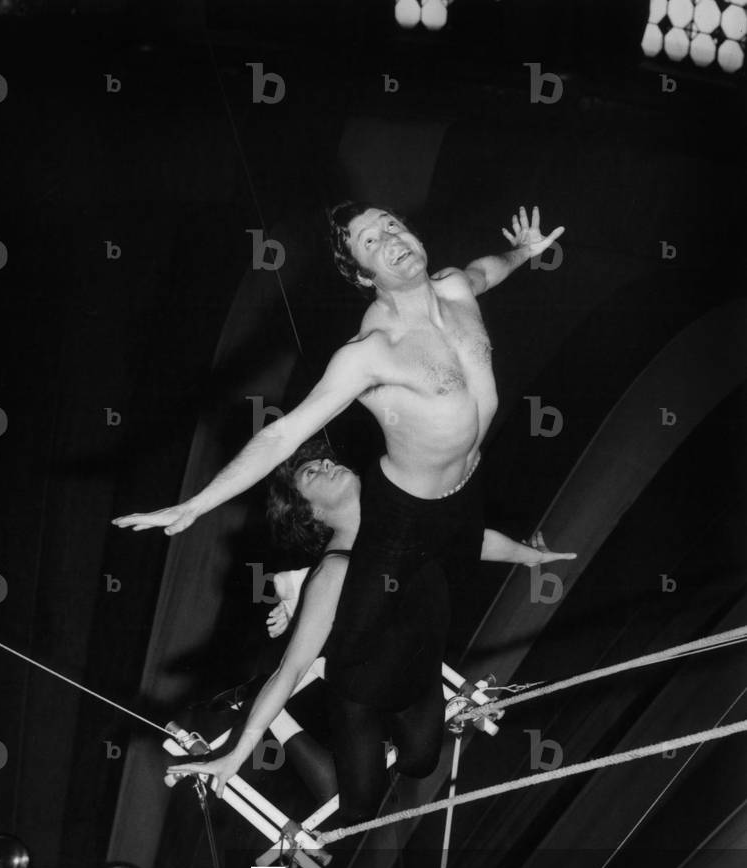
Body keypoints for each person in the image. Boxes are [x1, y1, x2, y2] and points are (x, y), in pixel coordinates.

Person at [115, 202, 565, 816]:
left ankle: (361, 652)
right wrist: (198, 503)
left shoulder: (456, 288)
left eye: (391, 225)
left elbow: (489, 270)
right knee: (360, 738)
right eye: (369, 241)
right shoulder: (370, 354)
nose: (390, 239)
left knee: (421, 755)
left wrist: (525, 252)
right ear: (360, 273)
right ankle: (335, 689)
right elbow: (282, 435)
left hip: (462, 498)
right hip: (403, 518)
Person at [167, 441, 575, 817]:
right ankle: (265, 693)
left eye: (324, 460)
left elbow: (476, 542)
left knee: (419, 762)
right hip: (359, 693)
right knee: (359, 807)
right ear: (311, 513)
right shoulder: (333, 572)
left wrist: (531, 557)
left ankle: (295, 597)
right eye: (312, 473)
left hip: (418, 676)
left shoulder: (405, 517)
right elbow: (290, 671)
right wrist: (237, 752)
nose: (326, 463)